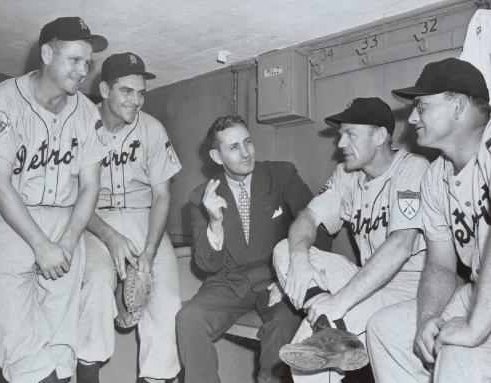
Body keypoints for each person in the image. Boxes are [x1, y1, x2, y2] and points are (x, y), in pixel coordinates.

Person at [272, 97, 429, 383]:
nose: (340, 143)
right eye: (340, 134)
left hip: (409, 290)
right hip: (365, 280)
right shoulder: (346, 174)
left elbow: (401, 244)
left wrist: (339, 302)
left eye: (350, 134)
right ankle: (327, 324)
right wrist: (300, 261)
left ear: (380, 136)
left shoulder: (412, 168)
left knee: (305, 365)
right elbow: (306, 219)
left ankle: (330, 323)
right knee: (286, 249)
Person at [0, 17, 108, 383]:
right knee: (20, 342)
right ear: (46, 54)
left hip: (65, 221)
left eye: (87, 62)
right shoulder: (3, 100)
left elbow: (90, 187)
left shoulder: (88, 113)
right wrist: (40, 244)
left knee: (61, 344)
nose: (82, 70)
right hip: (11, 219)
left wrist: (68, 242)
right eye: (74, 59)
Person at [367, 58, 491, 382]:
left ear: (459, 106)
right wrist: (429, 317)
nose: (411, 116)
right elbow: (440, 265)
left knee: (458, 353)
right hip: (480, 291)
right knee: (386, 329)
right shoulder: (437, 174)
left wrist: (474, 328)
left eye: (421, 105)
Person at [176, 115, 312, 383]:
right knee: (189, 319)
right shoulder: (202, 196)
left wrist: (293, 274)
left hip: (276, 276)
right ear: (217, 156)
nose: (246, 152)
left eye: (247, 142)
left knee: (286, 322)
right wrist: (215, 223)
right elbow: (206, 264)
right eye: (234, 147)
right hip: (228, 282)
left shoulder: (282, 175)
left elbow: (315, 222)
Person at [76, 52, 182, 383]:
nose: (136, 100)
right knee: (95, 285)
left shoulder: (152, 128)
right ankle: (87, 371)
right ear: (105, 89)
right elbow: (70, 198)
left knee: (167, 301)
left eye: (141, 92)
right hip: (94, 220)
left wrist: (148, 253)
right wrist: (109, 236)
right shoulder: (78, 124)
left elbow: (163, 195)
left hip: (143, 217)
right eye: (126, 91)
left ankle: (154, 378)